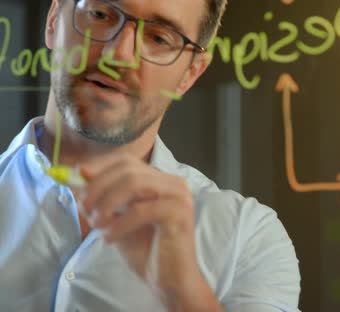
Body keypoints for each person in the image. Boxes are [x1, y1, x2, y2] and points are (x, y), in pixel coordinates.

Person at [0, 0, 301, 311]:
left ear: (190, 73)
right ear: (53, 21)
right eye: (101, 15)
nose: (118, 55)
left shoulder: (247, 240)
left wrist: (183, 292)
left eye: (159, 38)